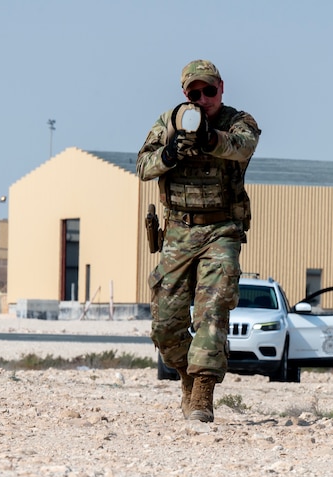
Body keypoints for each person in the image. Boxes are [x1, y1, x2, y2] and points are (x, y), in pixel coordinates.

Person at [137, 59, 260, 422]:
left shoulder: (238, 122)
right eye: (195, 93)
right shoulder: (168, 123)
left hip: (221, 230)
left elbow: (242, 146)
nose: (203, 98)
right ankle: (187, 377)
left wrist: (209, 140)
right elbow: (143, 166)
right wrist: (171, 153)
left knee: (213, 307)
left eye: (210, 91)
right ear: (185, 94)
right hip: (177, 232)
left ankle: (204, 392)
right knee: (165, 326)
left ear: (222, 88)